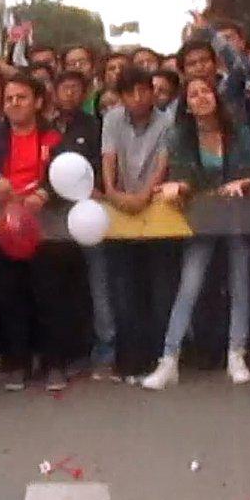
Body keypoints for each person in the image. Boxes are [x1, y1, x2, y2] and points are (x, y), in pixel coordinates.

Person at [141, 76, 250, 390]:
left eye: (206, 91)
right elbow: (183, 174)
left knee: (240, 282)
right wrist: (179, 186)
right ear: (187, 105)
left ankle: (236, 353)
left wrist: (242, 182)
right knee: (189, 284)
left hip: (238, 216)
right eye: (193, 94)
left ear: (216, 97)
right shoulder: (180, 136)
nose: (201, 97)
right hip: (201, 218)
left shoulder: (239, 132)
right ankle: (169, 360)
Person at [0, 73, 66, 391]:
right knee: (10, 296)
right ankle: (21, 362)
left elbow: (67, 170)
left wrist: (45, 193)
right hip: (6, 227)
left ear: (38, 102)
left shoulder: (53, 135)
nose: (13, 103)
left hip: (45, 226)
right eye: (9, 98)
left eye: (21, 97)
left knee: (49, 296)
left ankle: (54, 363)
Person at [102, 66, 175, 379]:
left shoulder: (168, 122)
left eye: (144, 90)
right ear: (121, 96)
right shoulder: (112, 118)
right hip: (119, 208)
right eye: (130, 92)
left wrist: (144, 194)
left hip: (157, 208)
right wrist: (113, 192)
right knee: (123, 288)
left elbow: (163, 161)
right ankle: (127, 359)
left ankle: (158, 356)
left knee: (158, 288)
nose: (138, 97)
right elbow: (109, 157)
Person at [49, 68, 115, 377]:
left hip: (90, 215)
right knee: (68, 290)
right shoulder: (47, 129)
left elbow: (104, 165)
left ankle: (106, 349)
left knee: (99, 285)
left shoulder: (95, 126)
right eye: (64, 88)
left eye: (76, 88)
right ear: (54, 93)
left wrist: (101, 187)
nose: (70, 94)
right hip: (54, 219)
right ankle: (72, 351)